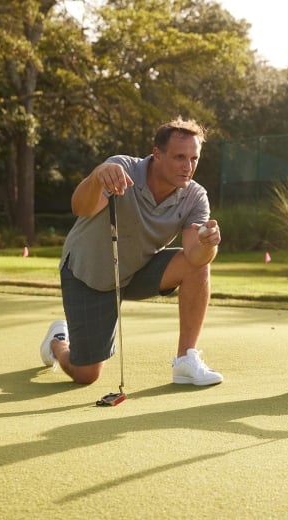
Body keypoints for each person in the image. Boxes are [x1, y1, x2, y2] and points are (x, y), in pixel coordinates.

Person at [39, 117, 223, 387]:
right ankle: (57, 342)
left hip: (138, 269)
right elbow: (81, 207)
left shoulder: (195, 196)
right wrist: (97, 176)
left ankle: (185, 360)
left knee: (198, 266)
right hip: (89, 273)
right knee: (86, 375)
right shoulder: (121, 168)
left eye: (194, 158)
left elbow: (195, 256)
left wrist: (209, 245)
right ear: (157, 154)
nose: (188, 167)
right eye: (179, 157)